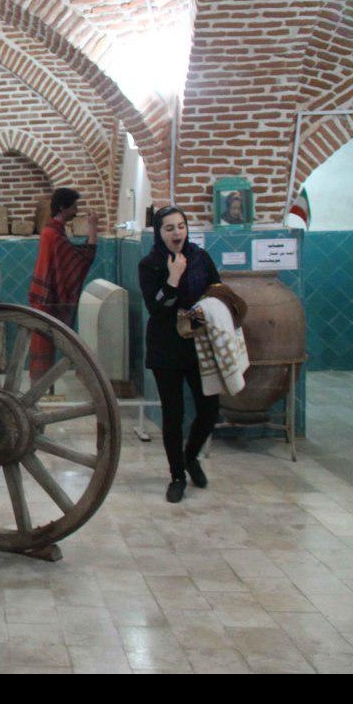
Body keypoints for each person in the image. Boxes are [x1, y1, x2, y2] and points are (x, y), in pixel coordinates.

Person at [138, 206, 222, 503]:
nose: (177, 233)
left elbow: (215, 291)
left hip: (199, 343)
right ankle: (177, 475)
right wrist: (173, 279)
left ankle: (190, 456)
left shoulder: (200, 257)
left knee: (210, 408)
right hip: (166, 346)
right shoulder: (151, 264)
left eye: (181, 226)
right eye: (169, 228)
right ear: (159, 233)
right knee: (173, 415)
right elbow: (156, 307)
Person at [28, 188, 100, 379]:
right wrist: (93, 228)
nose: (77, 210)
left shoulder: (53, 232)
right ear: (62, 207)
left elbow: (72, 259)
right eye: (74, 206)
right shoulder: (52, 234)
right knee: (44, 345)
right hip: (47, 300)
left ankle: (45, 388)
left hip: (43, 297)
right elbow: (79, 261)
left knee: (45, 344)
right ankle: (42, 389)